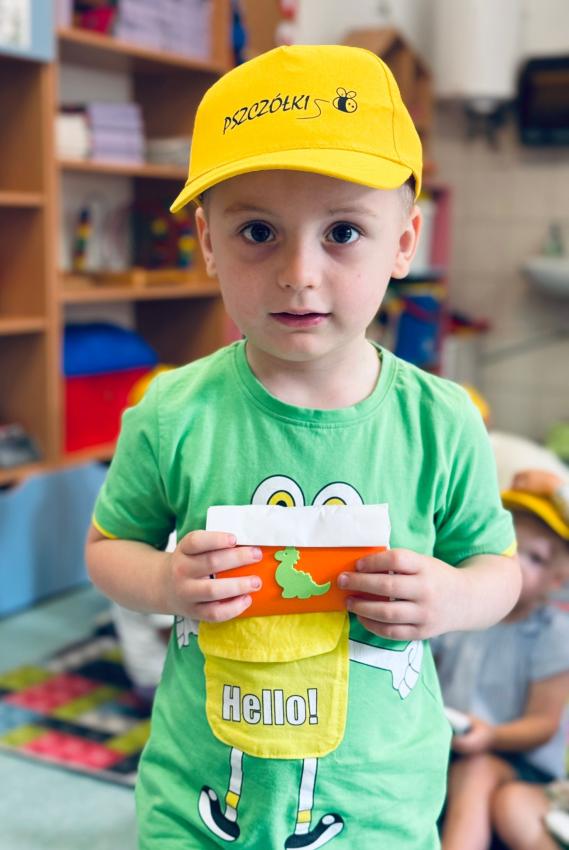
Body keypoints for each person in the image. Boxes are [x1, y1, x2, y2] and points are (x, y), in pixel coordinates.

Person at [85, 45, 520, 850]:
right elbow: (109, 548)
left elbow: (499, 569)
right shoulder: (171, 411)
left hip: (376, 808)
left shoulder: (442, 421)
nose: (298, 273)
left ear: (403, 243)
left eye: (343, 231)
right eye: (257, 231)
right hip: (197, 799)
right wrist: (164, 581)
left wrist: (451, 598)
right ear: (208, 242)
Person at [433, 471, 569, 850]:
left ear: (557, 581)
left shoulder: (552, 633)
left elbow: (543, 723)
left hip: (519, 761)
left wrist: (492, 736)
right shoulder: (461, 610)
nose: (514, 561)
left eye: (535, 557)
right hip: (451, 745)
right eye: (507, 543)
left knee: (476, 772)